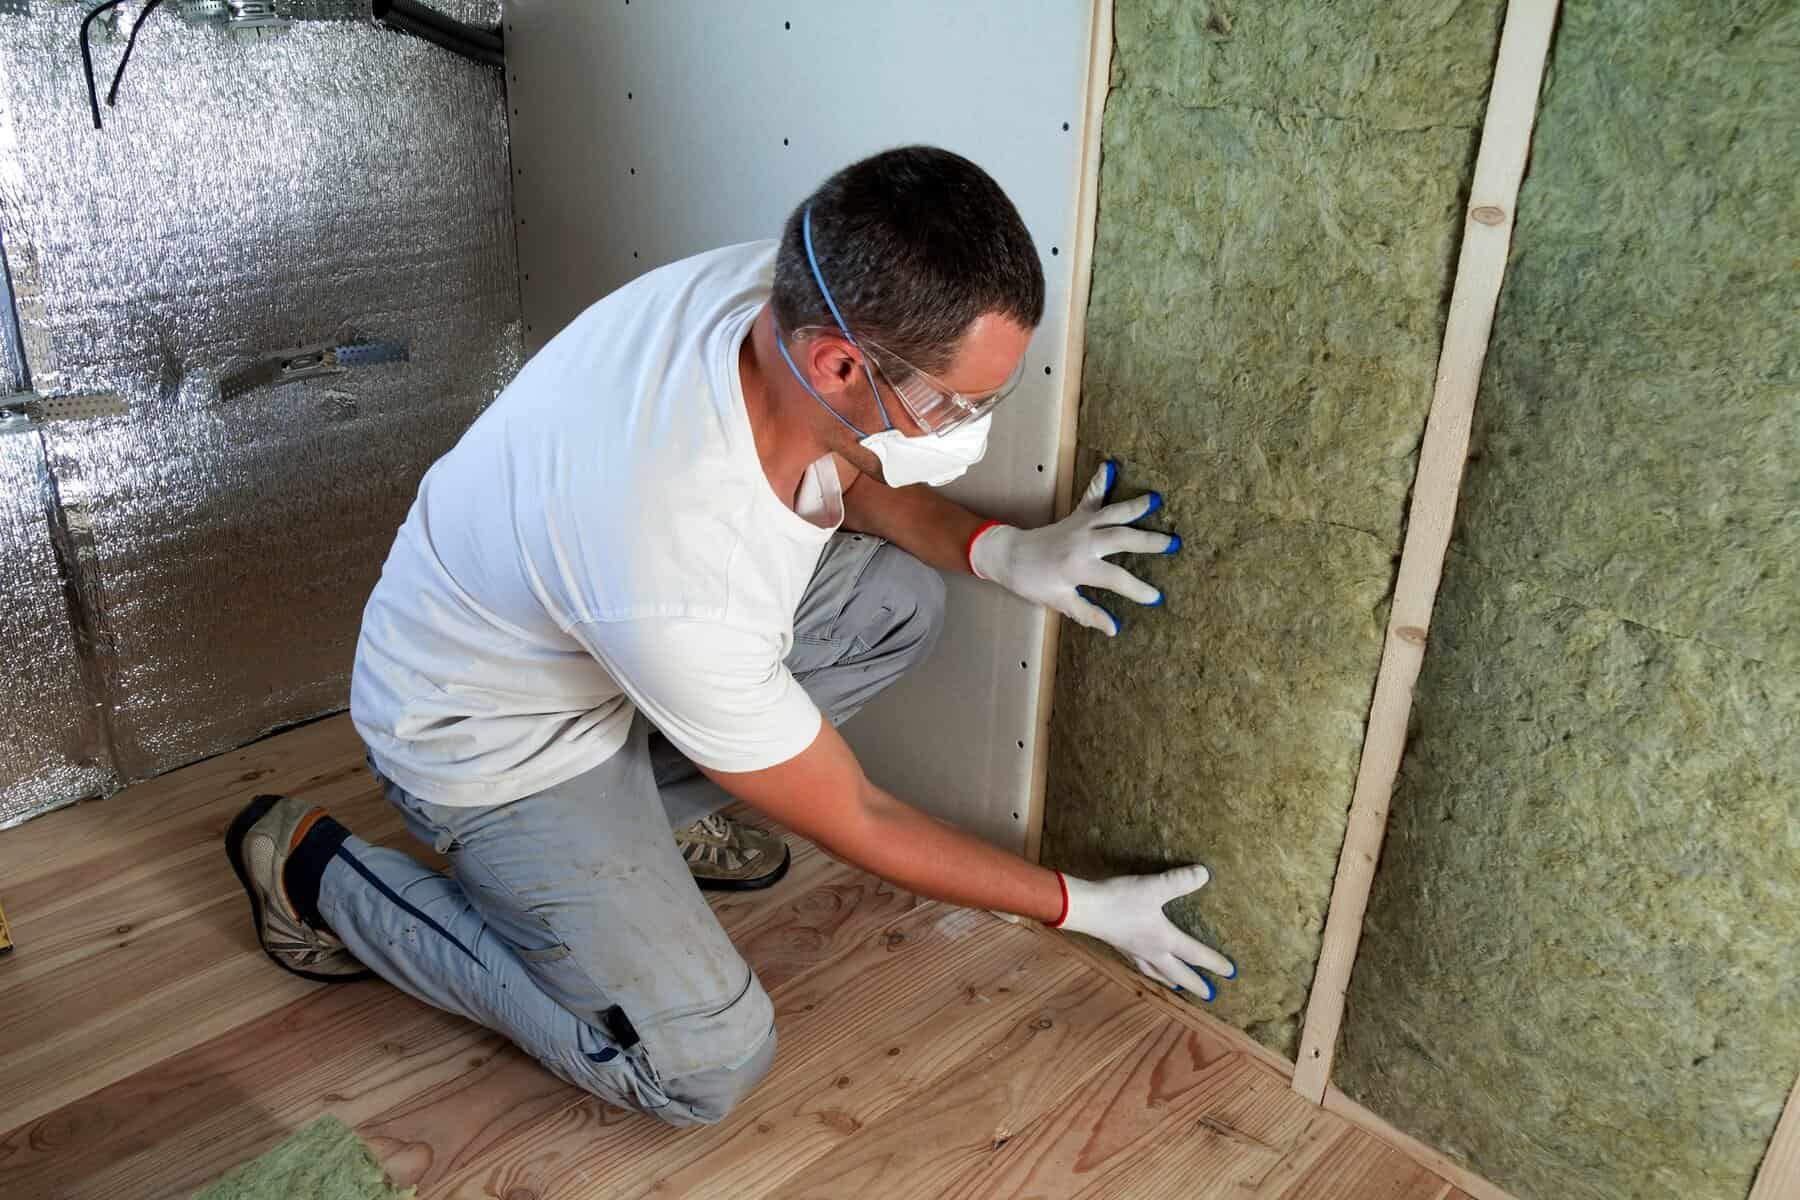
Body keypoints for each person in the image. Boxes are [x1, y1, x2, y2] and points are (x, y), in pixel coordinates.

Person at [223, 146, 1234, 1128]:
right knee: (699, 1065)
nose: (970, 423)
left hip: (596, 653)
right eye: (959, 402)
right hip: (484, 740)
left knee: (896, 600)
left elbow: (852, 465)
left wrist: (1000, 553)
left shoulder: (798, 284)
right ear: (836, 362)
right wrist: (1079, 906)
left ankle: (632, 843)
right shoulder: (675, 562)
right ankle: (316, 870)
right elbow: (864, 819)